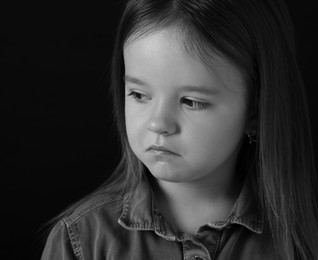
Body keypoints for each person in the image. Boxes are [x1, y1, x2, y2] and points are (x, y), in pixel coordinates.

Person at [40, 0, 318, 259]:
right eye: (138, 95)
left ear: (256, 109)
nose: (158, 123)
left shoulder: (301, 239)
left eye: (192, 102)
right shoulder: (82, 241)